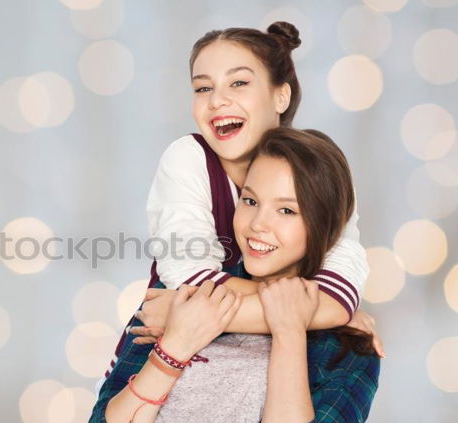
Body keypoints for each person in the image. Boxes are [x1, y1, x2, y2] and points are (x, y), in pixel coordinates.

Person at [99, 22, 383, 391]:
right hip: (161, 372)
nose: (217, 100)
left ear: (281, 96)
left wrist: (329, 310)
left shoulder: (319, 170)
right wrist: (318, 314)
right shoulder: (188, 159)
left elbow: (341, 285)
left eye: (238, 83)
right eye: (203, 87)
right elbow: (193, 283)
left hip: (262, 379)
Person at [87, 127, 381, 423]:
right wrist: (175, 348)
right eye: (251, 200)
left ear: (325, 224)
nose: (257, 224)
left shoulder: (348, 348)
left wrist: (289, 330)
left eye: (286, 210)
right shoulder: (184, 295)